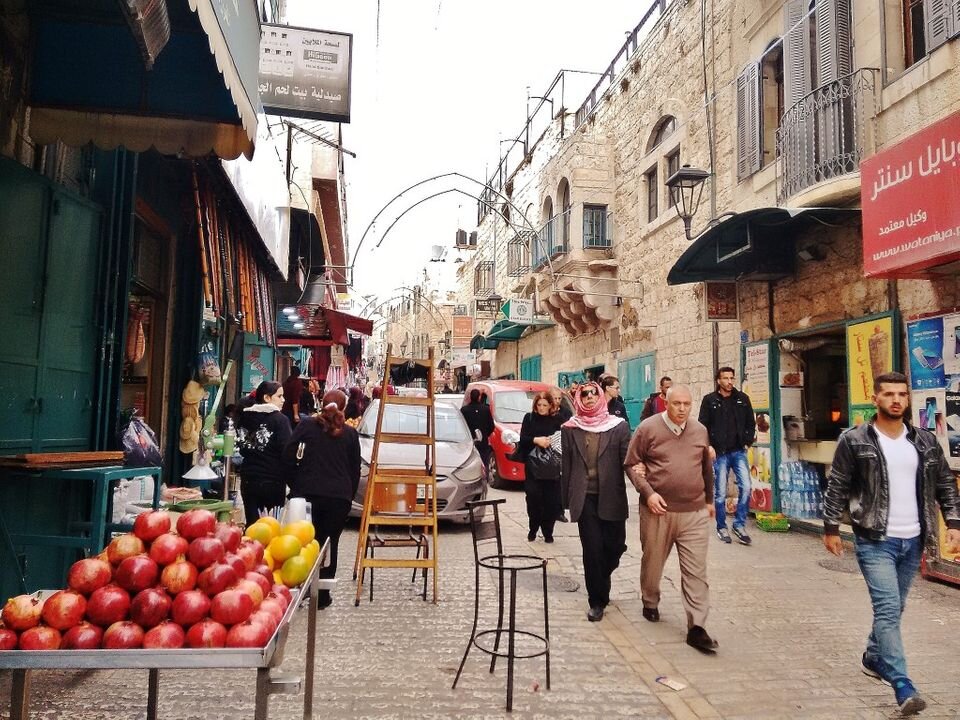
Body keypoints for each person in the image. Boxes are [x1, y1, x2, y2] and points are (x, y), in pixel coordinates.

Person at [823, 372, 960, 715]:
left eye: (902, 394)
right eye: (889, 394)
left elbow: (945, 483)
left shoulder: (926, 440)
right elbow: (837, 484)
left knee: (894, 609)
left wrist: (953, 522)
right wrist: (829, 527)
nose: (896, 400)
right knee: (887, 610)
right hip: (874, 539)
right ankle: (903, 685)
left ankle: (873, 656)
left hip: (913, 539)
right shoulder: (854, 440)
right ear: (876, 398)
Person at [626, 385, 718, 653]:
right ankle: (650, 600)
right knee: (653, 563)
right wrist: (648, 493)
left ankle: (697, 627)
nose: (682, 409)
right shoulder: (648, 429)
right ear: (665, 402)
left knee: (696, 572)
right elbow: (632, 465)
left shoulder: (699, 430)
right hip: (658, 511)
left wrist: (709, 501)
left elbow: (706, 468)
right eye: (676, 403)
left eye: (687, 404)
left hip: (694, 512)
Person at [560, 382, 631, 622]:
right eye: (584, 394)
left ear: (601, 397)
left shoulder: (618, 427)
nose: (589, 397)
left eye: (593, 393)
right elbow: (566, 466)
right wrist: (564, 502)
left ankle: (602, 579)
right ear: (579, 399)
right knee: (592, 550)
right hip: (585, 497)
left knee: (614, 547)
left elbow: (628, 460)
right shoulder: (570, 429)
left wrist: (646, 485)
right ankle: (596, 600)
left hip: (612, 495)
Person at [283, 389, 361, 609]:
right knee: (329, 543)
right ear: (343, 408)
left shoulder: (307, 426)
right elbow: (355, 470)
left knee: (305, 541)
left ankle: (301, 587)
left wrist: (295, 483)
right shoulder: (350, 434)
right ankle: (323, 595)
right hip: (339, 498)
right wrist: (349, 496)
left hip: (308, 493)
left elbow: (288, 454)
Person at [697, 367, 756, 545]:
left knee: (746, 487)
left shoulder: (742, 399)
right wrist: (708, 446)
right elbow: (702, 426)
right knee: (721, 492)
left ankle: (739, 525)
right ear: (718, 380)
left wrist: (747, 442)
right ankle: (722, 527)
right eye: (726, 378)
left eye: (732, 378)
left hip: (738, 451)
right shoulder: (710, 400)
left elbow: (750, 423)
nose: (730, 381)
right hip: (719, 452)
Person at [236, 381, 292, 527]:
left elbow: (241, 447)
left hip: (248, 478)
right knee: (271, 528)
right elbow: (287, 451)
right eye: (279, 396)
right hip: (273, 481)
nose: (283, 400)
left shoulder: (244, 417)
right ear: (267, 398)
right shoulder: (280, 420)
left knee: (252, 525)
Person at [517, 392, 564, 543]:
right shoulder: (529, 418)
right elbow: (523, 439)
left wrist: (552, 441)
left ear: (550, 405)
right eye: (539, 405)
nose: (542, 408)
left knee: (551, 501)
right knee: (533, 499)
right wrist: (536, 440)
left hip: (552, 467)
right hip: (533, 467)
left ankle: (548, 531)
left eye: (545, 405)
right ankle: (533, 528)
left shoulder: (557, 420)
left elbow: (565, 438)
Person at [461, 388, 495, 467]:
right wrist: (485, 434)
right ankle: (484, 476)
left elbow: (461, 426)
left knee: (469, 463)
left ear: (470, 397)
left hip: (469, 442)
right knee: (483, 461)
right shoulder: (486, 410)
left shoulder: (464, 410)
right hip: (483, 442)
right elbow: (491, 426)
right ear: (479, 397)